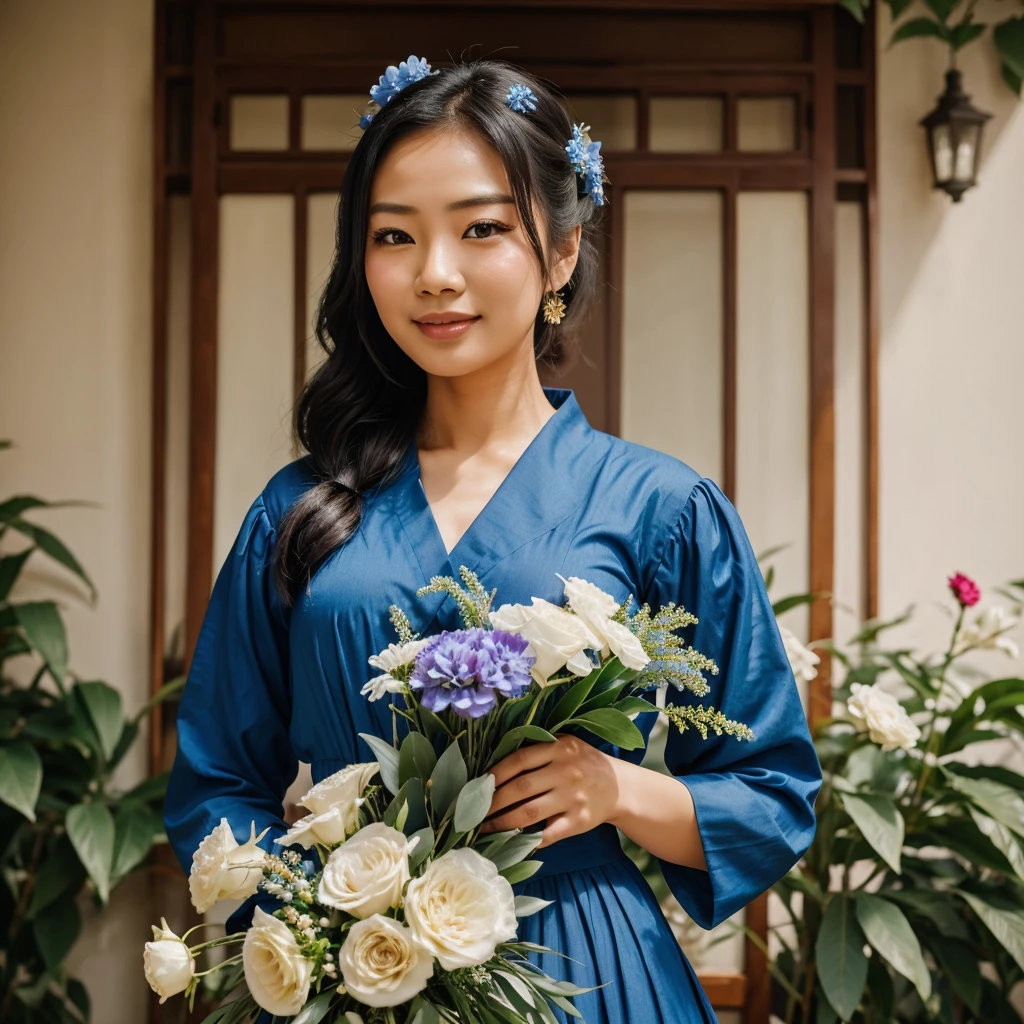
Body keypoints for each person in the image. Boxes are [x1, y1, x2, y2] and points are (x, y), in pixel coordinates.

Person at [164, 56, 823, 1024]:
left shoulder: (661, 505)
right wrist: (305, 919)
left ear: (560, 252)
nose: (435, 274)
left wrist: (613, 788)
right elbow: (217, 779)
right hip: (350, 969)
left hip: (587, 966)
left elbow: (772, 793)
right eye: (395, 236)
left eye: (482, 229)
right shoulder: (298, 507)